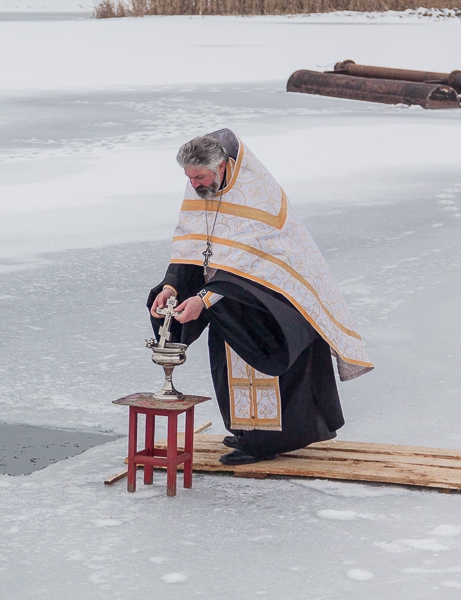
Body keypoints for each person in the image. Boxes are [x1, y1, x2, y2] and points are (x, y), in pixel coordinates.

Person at [148, 129, 373, 465]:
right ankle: (248, 432)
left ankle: (268, 441)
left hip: (268, 308)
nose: (194, 185)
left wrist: (206, 298)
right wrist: (171, 287)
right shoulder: (202, 193)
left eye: (200, 176)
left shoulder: (257, 195)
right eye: (189, 177)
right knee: (228, 369)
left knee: (269, 373)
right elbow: (191, 250)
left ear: (221, 167)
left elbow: (254, 264)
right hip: (228, 307)